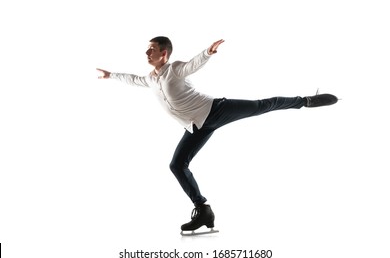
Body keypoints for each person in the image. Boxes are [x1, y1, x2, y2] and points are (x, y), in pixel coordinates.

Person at [97, 36, 338, 234]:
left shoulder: (175, 69)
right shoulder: (151, 79)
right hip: (195, 127)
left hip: (215, 110)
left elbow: (193, 64)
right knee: (177, 165)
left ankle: (305, 101)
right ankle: (203, 210)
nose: (147, 53)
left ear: (164, 54)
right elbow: (133, 79)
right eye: (147, 50)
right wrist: (111, 75)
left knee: (261, 105)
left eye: (151, 49)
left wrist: (208, 52)